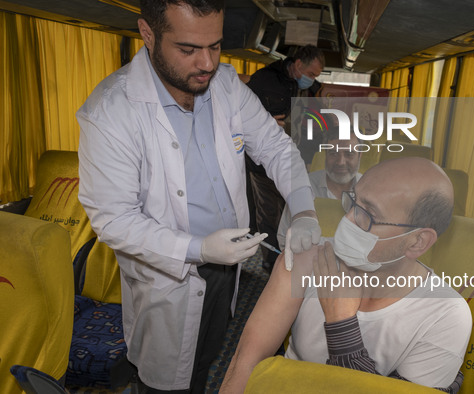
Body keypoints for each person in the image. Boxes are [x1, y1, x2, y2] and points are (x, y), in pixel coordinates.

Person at [76, 0, 320, 392]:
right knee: (163, 378)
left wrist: (304, 209)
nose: (207, 63)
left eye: (216, 46)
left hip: (228, 264)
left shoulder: (226, 85)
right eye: (188, 49)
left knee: (206, 356)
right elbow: (114, 220)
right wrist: (199, 248)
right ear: (148, 34)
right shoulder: (110, 112)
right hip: (168, 271)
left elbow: (276, 148)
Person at [220, 157, 473, 393]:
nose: (348, 219)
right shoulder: (305, 261)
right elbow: (246, 360)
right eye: (352, 201)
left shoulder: (445, 316)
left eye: (369, 215)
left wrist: (341, 322)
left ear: (418, 241)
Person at [245, 45, 325, 273]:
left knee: (289, 209)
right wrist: (262, 122)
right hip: (261, 164)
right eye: (311, 74)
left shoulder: (295, 83)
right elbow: (238, 117)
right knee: (269, 213)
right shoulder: (264, 81)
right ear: (298, 64)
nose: (312, 80)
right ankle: (272, 262)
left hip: (288, 158)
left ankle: (287, 255)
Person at [277, 129, 363, 250]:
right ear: (325, 154)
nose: (341, 162)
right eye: (333, 153)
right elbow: (284, 237)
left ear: (360, 156)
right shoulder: (303, 187)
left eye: (349, 154)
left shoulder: (371, 191)